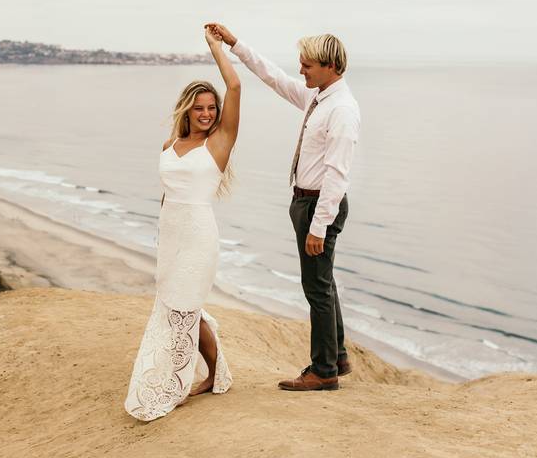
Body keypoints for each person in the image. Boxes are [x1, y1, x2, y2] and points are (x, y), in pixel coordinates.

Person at [206, 22, 360, 392]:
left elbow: (338, 175)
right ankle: (336, 355)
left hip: (319, 204)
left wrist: (318, 227)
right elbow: (273, 77)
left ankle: (323, 370)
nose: (301, 71)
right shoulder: (317, 97)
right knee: (324, 284)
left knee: (316, 288)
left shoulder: (341, 109)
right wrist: (235, 44)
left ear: (330, 67)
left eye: (307, 65)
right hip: (306, 202)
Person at [124, 26, 241, 421]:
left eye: (212, 107)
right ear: (187, 110)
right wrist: (161, 235)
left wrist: (216, 48)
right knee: (179, 305)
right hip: (171, 234)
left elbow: (237, 86)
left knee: (185, 309)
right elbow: (166, 194)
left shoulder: (219, 143)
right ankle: (216, 371)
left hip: (199, 236)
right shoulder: (168, 147)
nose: (207, 114)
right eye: (199, 108)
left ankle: (182, 381)